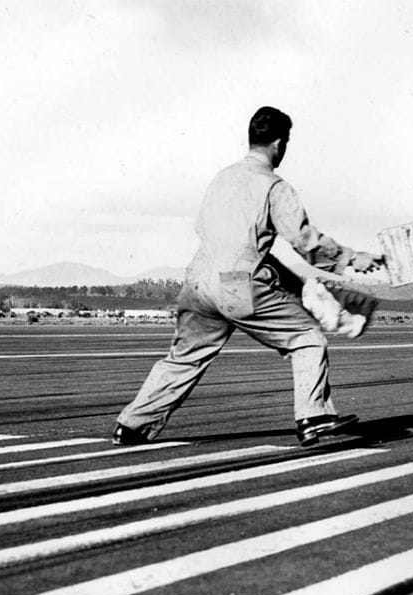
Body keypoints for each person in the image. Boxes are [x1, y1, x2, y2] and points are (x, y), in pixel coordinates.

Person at [113, 106, 383, 447]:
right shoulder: (274, 186)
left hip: (197, 280)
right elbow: (304, 241)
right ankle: (313, 416)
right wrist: (350, 258)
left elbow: (215, 233)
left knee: (185, 358)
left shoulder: (223, 177)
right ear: (280, 143)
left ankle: (132, 424)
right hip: (236, 284)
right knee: (307, 339)